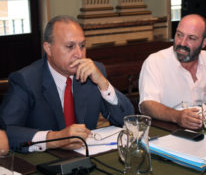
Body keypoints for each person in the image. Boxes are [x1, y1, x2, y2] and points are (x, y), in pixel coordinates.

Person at [0, 15, 134, 152]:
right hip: (44, 160)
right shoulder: (26, 80)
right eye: (70, 46)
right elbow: (6, 132)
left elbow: (128, 120)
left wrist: (103, 83)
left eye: (82, 46)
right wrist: (54, 138)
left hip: (85, 158)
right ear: (48, 48)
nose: (79, 54)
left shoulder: (94, 72)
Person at [139, 14, 206, 130]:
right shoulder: (155, 61)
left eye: (191, 38)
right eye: (179, 35)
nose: (182, 43)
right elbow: (147, 105)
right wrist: (177, 117)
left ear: (204, 42)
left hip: (205, 128)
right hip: (168, 130)